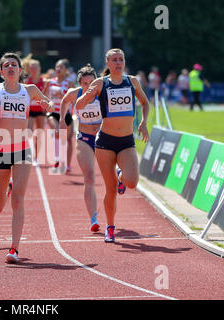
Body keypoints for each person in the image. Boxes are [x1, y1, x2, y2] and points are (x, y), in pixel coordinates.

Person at [0, 52, 54, 263]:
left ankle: (14, 248)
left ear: (19, 70)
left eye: (14, 64)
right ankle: (7, 187)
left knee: (18, 199)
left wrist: (48, 106)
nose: (10, 67)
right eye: (6, 65)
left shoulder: (29, 90)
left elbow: (48, 103)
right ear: (1, 71)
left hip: (22, 150)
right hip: (0, 151)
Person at [75, 48, 149, 243]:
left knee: (132, 181)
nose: (118, 62)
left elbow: (145, 102)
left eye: (121, 59)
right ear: (107, 63)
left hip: (126, 141)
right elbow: (80, 105)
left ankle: (121, 176)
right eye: (114, 60)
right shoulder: (100, 83)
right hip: (105, 142)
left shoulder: (132, 81)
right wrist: (86, 93)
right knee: (111, 190)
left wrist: (144, 123)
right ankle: (110, 227)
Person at [59, 64, 101, 232]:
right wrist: (63, 118)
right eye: (84, 83)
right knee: (89, 177)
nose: (88, 86)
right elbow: (64, 101)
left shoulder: (101, 93)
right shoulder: (74, 94)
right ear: (79, 83)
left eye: (91, 82)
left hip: (102, 136)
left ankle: (120, 176)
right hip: (84, 137)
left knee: (111, 175)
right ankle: (93, 218)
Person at [44, 59, 75, 171]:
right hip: (53, 113)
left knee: (68, 139)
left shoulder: (69, 83)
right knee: (57, 132)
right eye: (57, 67)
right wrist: (47, 104)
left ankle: (68, 165)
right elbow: (43, 95)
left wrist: (63, 94)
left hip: (66, 113)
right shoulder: (50, 81)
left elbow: (73, 98)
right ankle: (57, 159)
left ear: (66, 70)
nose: (58, 69)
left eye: (61, 67)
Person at [22, 55, 46, 165]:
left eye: (36, 67)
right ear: (29, 69)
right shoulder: (27, 82)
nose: (34, 69)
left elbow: (46, 95)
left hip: (41, 111)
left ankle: (36, 157)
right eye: (32, 67)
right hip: (30, 110)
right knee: (29, 132)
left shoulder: (44, 81)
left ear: (39, 69)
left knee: (39, 134)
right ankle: (28, 153)